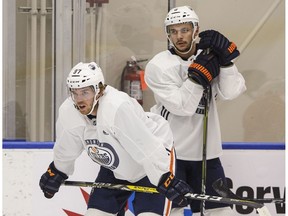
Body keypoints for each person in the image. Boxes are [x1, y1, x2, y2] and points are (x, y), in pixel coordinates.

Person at [39, 62, 193, 216]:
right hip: (115, 169)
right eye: (75, 93)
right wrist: (57, 170)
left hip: (151, 165)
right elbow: (67, 146)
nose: (79, 100)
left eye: (85, 92)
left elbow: (145, 145)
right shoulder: (69, 111)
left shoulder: (117, 108)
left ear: (98, 90)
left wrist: (164, 178)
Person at [144, 6, 246, 216]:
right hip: (172, 153)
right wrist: (197, 77)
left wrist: (226, 62)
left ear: (196, 30)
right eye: (173, 31)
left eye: (184, 30)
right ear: (168, 34)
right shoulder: (158, 66)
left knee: (221, 212)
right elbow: (183, 107)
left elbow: (231, 92)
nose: (179, 36)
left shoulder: (209, 56)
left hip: (207, 155)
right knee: (171, 212)